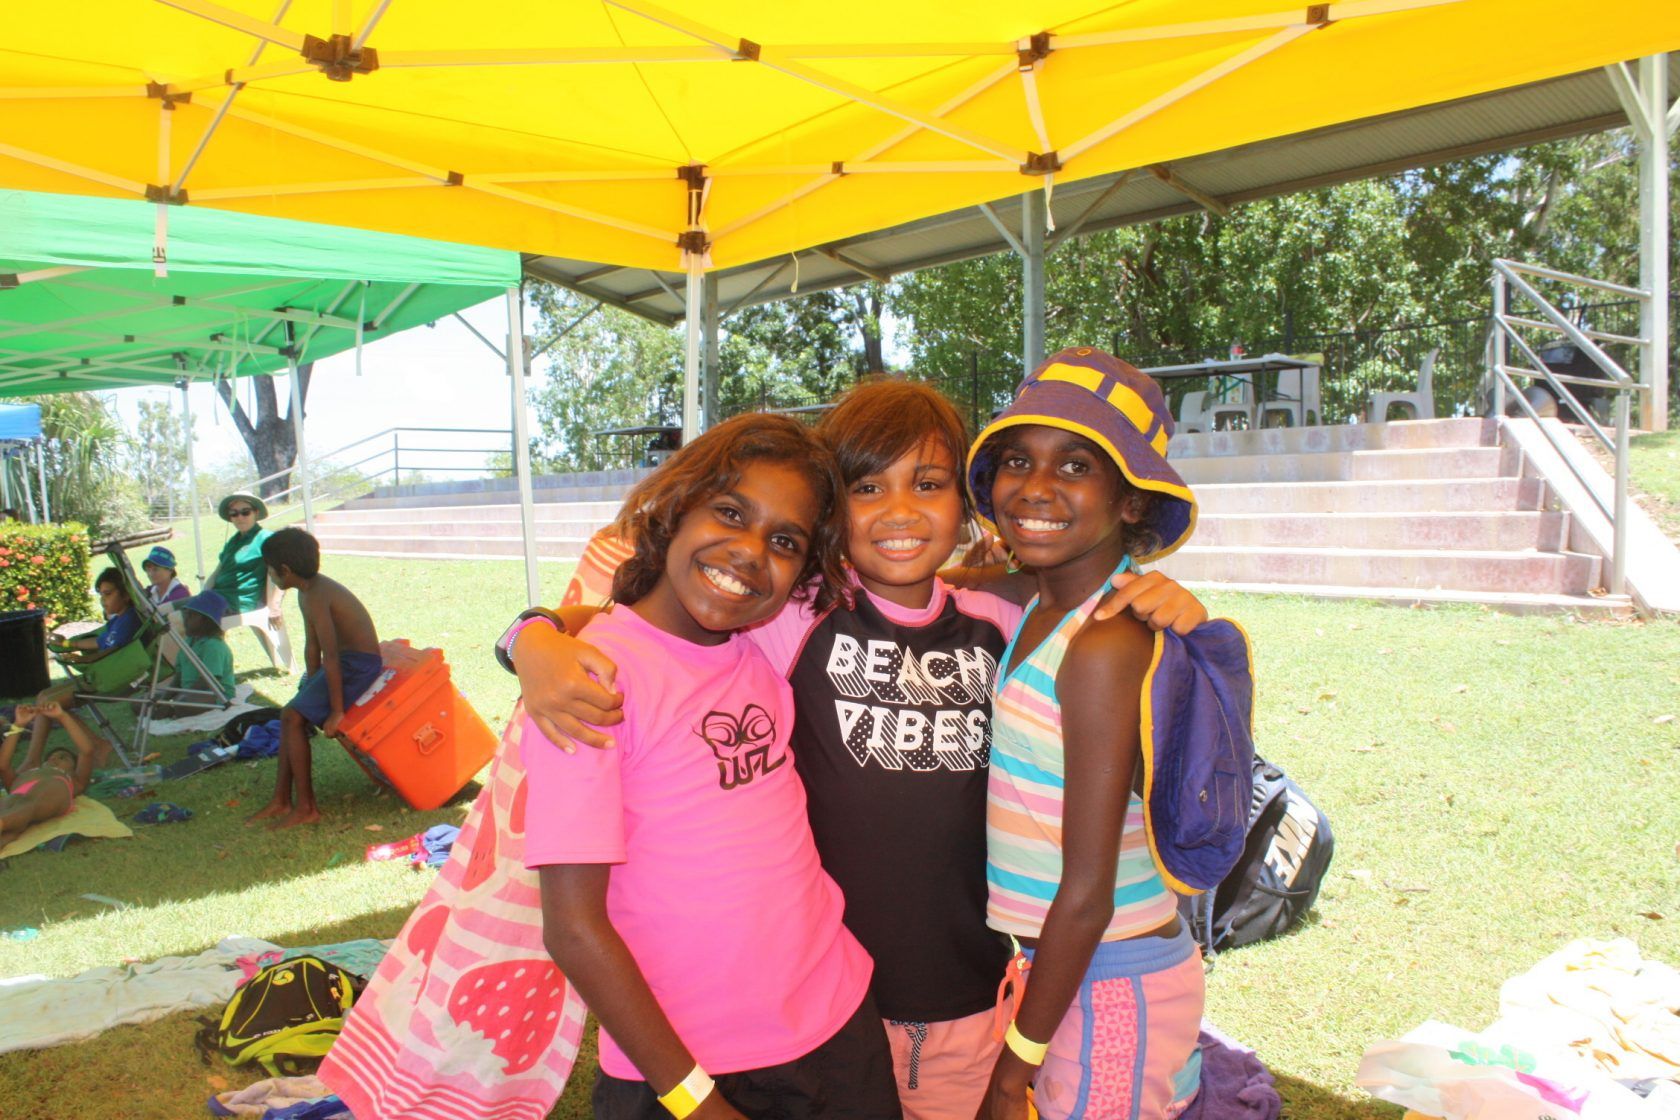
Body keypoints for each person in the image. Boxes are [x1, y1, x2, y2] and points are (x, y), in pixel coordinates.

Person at [503, 380, 1211, 1120]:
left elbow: (1065, 588)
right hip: (842, 1009)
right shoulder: (790, 613)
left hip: (969, 1005)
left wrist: (1166, 597)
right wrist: (534, 637)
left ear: (963, 505)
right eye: (868, 486)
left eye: (929, 485)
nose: (901, 511)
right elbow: (647, 620)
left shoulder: (1001, 615)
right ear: (834, 516)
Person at [968, 348, 1252, 1120]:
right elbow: (938, 577)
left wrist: (1009, 1075)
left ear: (1130, 503)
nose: (1034, 488)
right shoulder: (1042, 599)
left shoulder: (1102, 644)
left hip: (1107, 971)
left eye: (1075, 467)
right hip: (1064, 967)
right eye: (1018, 461)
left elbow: (1087, 894)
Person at [248, 528, 382, 829]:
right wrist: (309, 681)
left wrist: (337, 711)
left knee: (292, 717)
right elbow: (313, 646)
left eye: (270, 569)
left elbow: (331, 656)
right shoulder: (307, 591)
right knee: (290, 716)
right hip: (344, 662)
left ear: (285, 570)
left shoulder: (319, 595)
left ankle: (306, 807)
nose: (269, 575)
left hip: (358, 665)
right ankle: (281, 800)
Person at [1, 698, 98, 847]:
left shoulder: (74, 779)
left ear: (74, 768)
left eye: (63, 758)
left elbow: (87, 750)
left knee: (27, 806)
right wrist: (18, 724)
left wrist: (62, 716)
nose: (55, 759)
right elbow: (3, 765)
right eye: (51, 757)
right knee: (10, 813)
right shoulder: (27, 772)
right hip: (19, 796)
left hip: (52, 793)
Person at [156, 590, 237, 710]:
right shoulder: (188, 642)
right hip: (187, 691)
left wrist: (181, 696)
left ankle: (171, 710)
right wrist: (164, 698)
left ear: (205, 621)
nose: (185, 620)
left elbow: (209, 682)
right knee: (144, 700)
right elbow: (178, 675)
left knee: (182, 704)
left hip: (215, 693)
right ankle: (167, 708)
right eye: (186, 615)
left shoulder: (213, 646)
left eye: (191, 616)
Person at [47, 567, 141, 662]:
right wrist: (65, 643)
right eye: (101, 595)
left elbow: (116, 650)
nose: (102, 599)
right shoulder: (117, 620)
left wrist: (85, 659)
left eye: (108, 593)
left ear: (126, 595)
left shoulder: (130, 620)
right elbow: (98, 641)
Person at [206, 492, 276, 617]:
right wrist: (203, 594)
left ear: (256, 513)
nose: (240, 517)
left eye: (245, 512)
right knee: (164, 611)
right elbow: (217, 572)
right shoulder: (234, 541)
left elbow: (277, 574)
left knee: (176, 620)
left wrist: (273, 607)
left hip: (238, 603)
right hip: (216, 597)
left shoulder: (266, 538)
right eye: (234, 513)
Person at [140, 545, 191, 610]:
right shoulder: (149, 592)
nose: (150, 574)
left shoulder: (180, 595)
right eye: (148, 569)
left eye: (155, 569)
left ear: (170, 570)